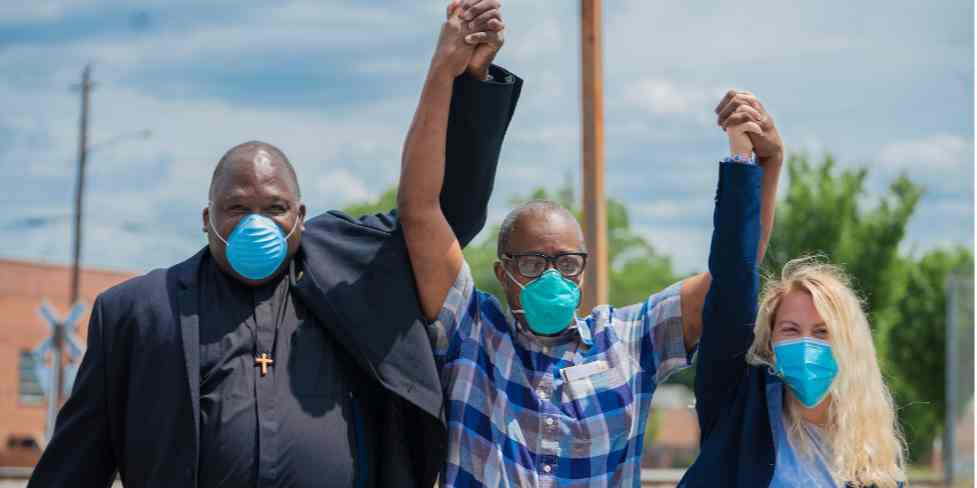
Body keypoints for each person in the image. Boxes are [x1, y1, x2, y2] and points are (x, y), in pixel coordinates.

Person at [28, 2, 520, 487]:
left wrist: (464, 79)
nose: (256, 223)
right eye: (238, 209)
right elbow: (73, 468)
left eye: (275, 208)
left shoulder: (356, 272)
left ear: (300, 218)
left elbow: (438, 209)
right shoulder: (137, 314)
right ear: (207, 220)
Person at [397, 71, 785, 483]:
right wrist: (446, 65)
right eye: (531, 263)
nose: (552, 278)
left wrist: (764, 164)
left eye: (567, 264)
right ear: (503, 273)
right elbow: (419, 208)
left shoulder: (629, 342)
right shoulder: (473, 336)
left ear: (583, 269)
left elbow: (732, 276)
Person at [678, 120, 908, 486]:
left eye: (822, 332)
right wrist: (742, 159)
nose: (806, 343)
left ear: (848, 344)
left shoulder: (873, 462)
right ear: (770, 342)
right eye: (790, 329)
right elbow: (734, 279)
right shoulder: (739, 409)